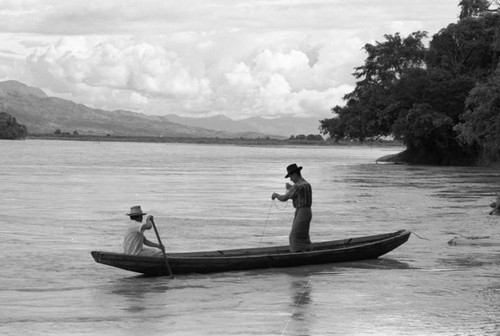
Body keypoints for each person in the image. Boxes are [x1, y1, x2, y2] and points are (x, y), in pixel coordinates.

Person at [272, 163, 313, 252]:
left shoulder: (297, 186)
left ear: (295, 174)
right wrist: (290, 187)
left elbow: (284, 198)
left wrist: (276, 195)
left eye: (291, 176)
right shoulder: (306, 183)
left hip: (302, 212)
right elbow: (299, 192)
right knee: (303, 236)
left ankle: (297, 254)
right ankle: (307, 251)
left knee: (294, 236)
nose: (290, 179)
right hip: (307, 211)